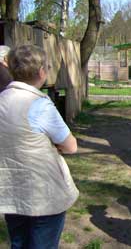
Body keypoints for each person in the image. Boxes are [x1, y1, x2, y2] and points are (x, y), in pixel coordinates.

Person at [0, 44, 79, 249]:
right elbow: (71, 146)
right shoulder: (39, 104)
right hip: (43, 193)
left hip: (11, 191)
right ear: (42, 72)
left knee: (18, 244)